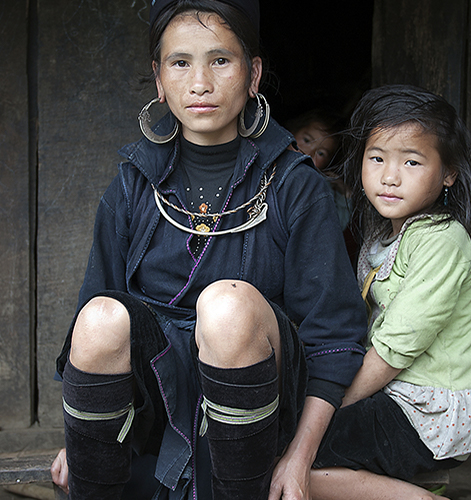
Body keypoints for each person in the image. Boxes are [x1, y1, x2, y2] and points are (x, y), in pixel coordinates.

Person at [48, 1, 367, 499]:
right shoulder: (134, 183)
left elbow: (335, 339)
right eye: (180, 63)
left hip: (259, 413)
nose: (200, 82)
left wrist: (298, 459)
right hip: (154, 404)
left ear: (253, 73)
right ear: (159, 79)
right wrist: (83, 436)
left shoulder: (294, 185)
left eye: (220, 60)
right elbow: (94, 323)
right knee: (99, 317)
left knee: (226, 304)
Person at [308, 85, 471, 500]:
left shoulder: (442, 240)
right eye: (377, 158)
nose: (389, 177)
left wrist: (325, 405)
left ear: (448, 173)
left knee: (296, 452)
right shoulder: (383, 235)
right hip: (397, 395)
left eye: (412, 162)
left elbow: (391, 353)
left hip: (427, 411)